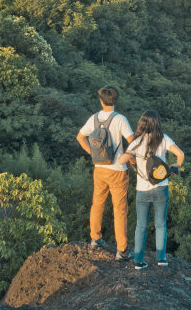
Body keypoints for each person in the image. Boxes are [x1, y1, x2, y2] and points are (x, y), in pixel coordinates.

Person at [118, 109, 184, 270]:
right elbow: (180, 154)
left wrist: (132, 160)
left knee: (141, 225)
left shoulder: (136, 142)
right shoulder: (163, 139)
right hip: (161, 188)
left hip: (142, 190)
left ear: (141, 124)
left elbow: (121, 160)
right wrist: (176, 166)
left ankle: (138, 261)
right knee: (161, 224)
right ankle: (161, 259)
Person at [76, 86, 134, 259]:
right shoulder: (120, 119)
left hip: (99, 168)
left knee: (97, 204)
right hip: (117, 171)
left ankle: (95, 238)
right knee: (120, 210)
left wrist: (93, 154)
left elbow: (80, 137)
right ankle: (122, 250)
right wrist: (129, 160)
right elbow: (132, 142)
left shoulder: (94, 118)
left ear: (101, 100)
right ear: (116, 100)